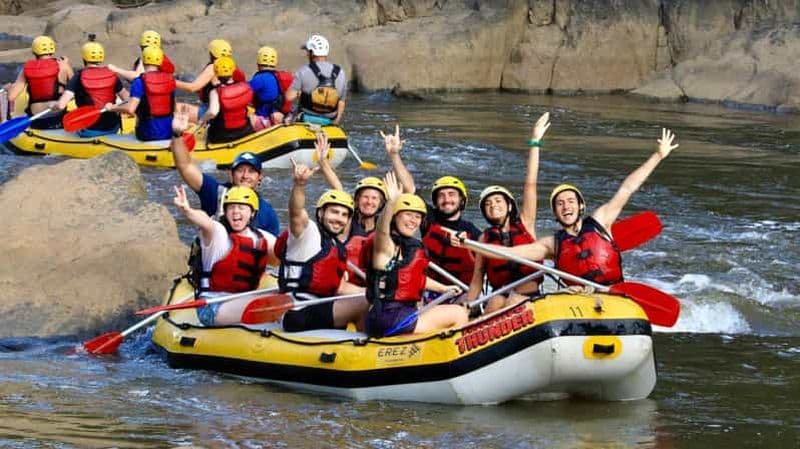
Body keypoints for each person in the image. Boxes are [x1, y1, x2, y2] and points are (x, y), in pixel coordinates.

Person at [454, 128, 680, 287]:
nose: (566, 206)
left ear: (581, 205)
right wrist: (469, 244)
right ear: (555, 213)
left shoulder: (602, 220)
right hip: (578, 299)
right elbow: (511, 253)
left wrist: (658, 155)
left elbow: (628, 187)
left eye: (570, 201)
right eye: (560, 204)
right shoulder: (551, 244)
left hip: (613, 293)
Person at [465, 112, 551, 313]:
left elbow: (530, 183)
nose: (493, 205)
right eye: (488, 204)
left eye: (498, 201)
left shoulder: (525, 222)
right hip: (499, 297)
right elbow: (478, 279)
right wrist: (466, 307)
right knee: (496, 302)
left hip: (527, 296)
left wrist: (535, 142)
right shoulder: (485, 238)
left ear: (510, 205)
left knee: (513, 301)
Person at [366, 172, 468, 337]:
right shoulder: (386, 246)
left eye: (417, 217)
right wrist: (391, 204)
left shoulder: (408, 247)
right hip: (389, 318)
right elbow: (381, 231)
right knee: (459, 313)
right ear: (395, 217)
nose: (413, 220)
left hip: (396, 316)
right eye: (407, 214)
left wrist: (444, 288)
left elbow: (415, 278)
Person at [273, 157, 367, 332]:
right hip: (297, 311)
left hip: (318, 307)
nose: (339, 218)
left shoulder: (334, 245)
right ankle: (366, 346)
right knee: (365, 303)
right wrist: (299, 185)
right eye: (334, 212)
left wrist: (377, 293)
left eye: (344, 215)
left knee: (371, 298)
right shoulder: (308, 233)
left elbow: (340, 287)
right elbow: (296, 212)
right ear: (321, 213)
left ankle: (360, 342)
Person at [173, 184, 278, 326]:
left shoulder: (261, 238)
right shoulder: (218, 233)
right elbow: (205, 221)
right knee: (278, 301)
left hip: (240, 300)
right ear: (225, 211)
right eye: (231, 207)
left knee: (285, 294)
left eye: (241, 208)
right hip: (212, 307)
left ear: (252, 213)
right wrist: (187, 211)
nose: (235, 212)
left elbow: (285, 256)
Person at [170, 114, 280, 235]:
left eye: (251, 171)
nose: (245, 176)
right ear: (231, 175)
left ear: (259, 178)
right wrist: (178, 134)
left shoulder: (267, 213)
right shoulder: (214, 191)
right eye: (240, 170)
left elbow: (274, 249)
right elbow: (185, 166)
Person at [54, 38, 129, 137]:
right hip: (113, 127)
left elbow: (61, 105)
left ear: (84, 58)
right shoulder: (111, 74)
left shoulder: (78, 76)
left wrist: (52, 105)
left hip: (90, 129)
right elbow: (127, 98)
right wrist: (114, 108)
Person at [107, 46, 175, 141]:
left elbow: (130, 109)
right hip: (168, 132)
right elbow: (173, 107)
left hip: (147, 134)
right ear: (160, 61)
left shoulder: (139, 81)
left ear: (143, 61)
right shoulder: (170, 80)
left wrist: (112, 108)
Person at [7, 35, 73, 129]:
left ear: (34, 51)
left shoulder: (26, 69)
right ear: (53, 49)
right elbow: (76, 88)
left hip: (38, 120)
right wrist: (66, 65)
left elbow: (11, 97)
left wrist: (9, 88)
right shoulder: (63, 66)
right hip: (58, 117)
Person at [175, 38, 246, 123]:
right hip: (229, 107)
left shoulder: (213, 68)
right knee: (187, 77)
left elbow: (193, 88)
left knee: (176, 107)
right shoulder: (232, 66)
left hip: (213, 111)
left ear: (212, 54)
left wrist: (171, 82)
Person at [284, 34, 347, 125]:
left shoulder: (303, 71)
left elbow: (288, 97)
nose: (306, 54)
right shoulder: (340, 72)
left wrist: (298, 94)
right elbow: (341, 102)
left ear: (312, 53)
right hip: (330, 120)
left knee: (286, 119)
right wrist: (336, 121)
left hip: (305, 117)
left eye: (308, 51)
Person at [199, 56, 254, 144]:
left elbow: (213, 112)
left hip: (223, 135)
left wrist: (202, 120)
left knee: (207, 132)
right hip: (245, 130)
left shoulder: (215, 92)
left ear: (216, 72)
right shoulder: (244, 86)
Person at [249, 46, 293, 130]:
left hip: (265, 120)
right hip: (280, 116)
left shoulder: (260, 78)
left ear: (258, 62)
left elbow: (244, 91)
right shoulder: (279, 76)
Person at [109, 30, 175, 81]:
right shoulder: (162, 57)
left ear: (141, 46)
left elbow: (136, 77)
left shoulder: (147, 57)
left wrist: (116, 69)